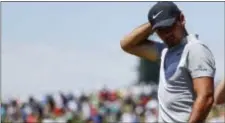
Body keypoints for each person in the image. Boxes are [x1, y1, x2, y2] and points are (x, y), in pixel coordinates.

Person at [120, 2, 216, 123]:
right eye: (160, 30)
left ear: (181, 19)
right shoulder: (165, 52)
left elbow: (206, 97)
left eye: (169, 26)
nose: (166, 34)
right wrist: (154, 22)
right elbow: (127, 45)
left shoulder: (195, 49)